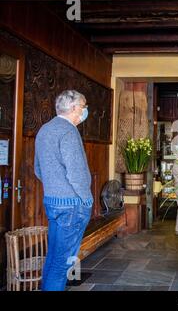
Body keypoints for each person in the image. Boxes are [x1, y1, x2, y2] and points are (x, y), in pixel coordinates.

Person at [34, 90, 93, 291]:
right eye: (84, 107)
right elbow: (76, 172)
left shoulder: (44, 129)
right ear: (74, 108)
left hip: (52, 201)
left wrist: (55, 185)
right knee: (63, 263)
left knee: (53, 259)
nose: (85, 111)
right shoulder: (68, 131)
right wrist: (86, 199)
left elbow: (38, 169)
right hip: (72, 205)